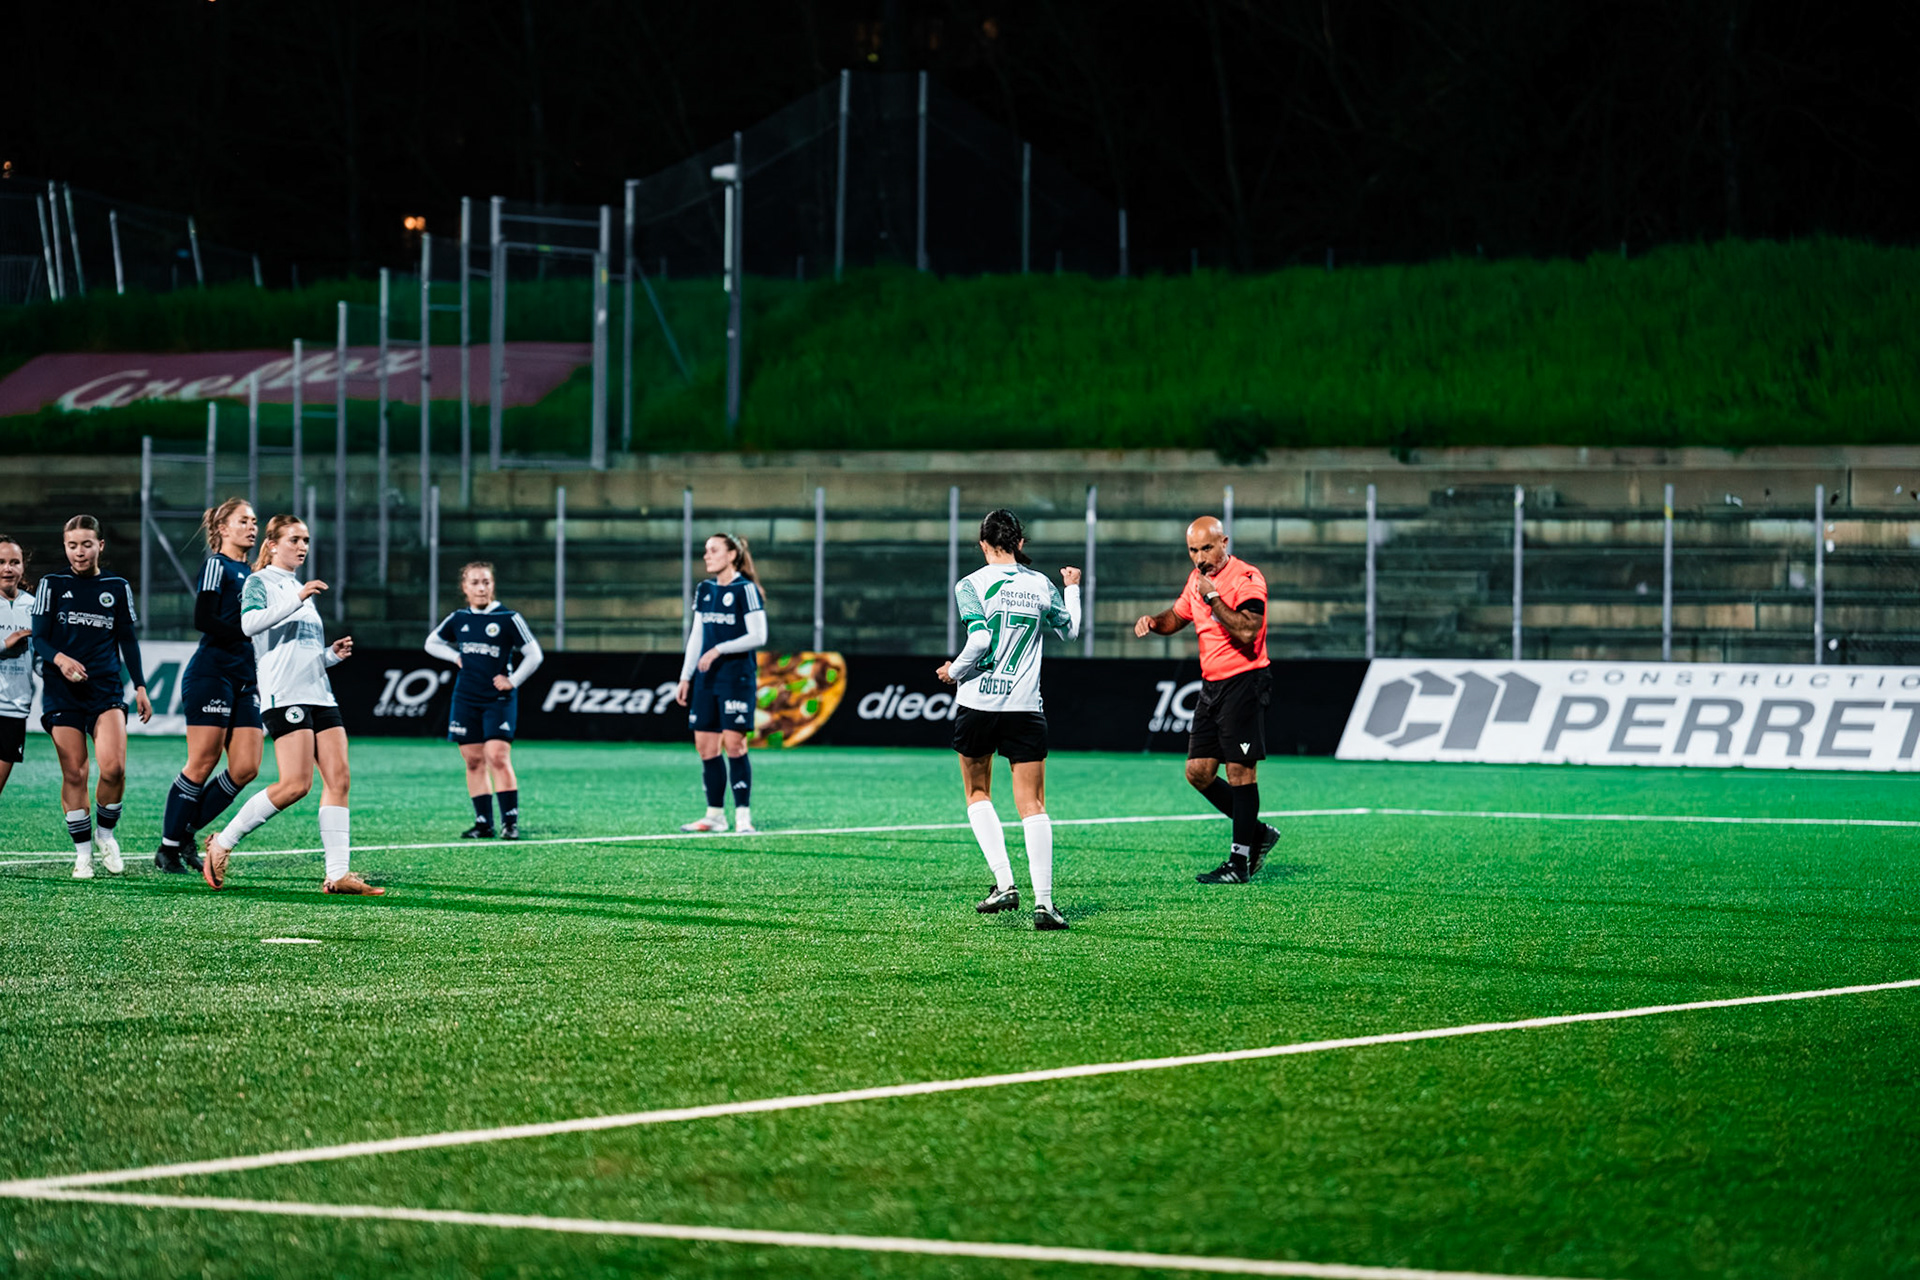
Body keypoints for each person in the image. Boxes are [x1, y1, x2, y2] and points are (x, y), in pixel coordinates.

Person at [201, 515, 382, 896]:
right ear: (272, 543)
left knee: (339, 779)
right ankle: (222, 842)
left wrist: (330, 656)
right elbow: (249, 625)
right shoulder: (259, 582)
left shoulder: (297, 587)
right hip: (284, 695)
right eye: (295, 539)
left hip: (319, 692)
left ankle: (338, 874)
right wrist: (296, 598)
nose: (303, 546)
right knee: (295, 784)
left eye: (307, 540)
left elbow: (300, 652)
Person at [936, 509, 1081, 931]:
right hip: (1024, 706)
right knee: (1032, 805)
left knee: (978, 793)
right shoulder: (1041, 584)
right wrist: (1071, 588)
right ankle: (1045, 904)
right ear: (1020, 542)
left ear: (983, 544)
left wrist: (954, 671)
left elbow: (980, 639)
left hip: (978, 704)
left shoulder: (971, 584)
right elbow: (1069, 632)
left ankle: (1004, 883)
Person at [1132, 516, 1281, 884]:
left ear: (1224, 542)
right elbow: (1177, 616)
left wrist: (1213, 596)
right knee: (1198, 772)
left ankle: (1239, 862)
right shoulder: (1196, 580)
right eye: (1193, 550)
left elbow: (1248, 630)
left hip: (1244, 682)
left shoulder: (1246, 578)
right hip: (1212, 686)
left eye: (1207, 548)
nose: (1200, 557)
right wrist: (1153, 621)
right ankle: (1258, 834)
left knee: (1240, 771)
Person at [31, 515, 153, 879]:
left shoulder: (117, 586)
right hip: (62, 691)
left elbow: (127, 640)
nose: (79, 552)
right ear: (65, 547)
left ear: (101, 545)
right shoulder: (51, 584)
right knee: (75, 771)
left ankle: (106, 836)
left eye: (86, 544)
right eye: (72, 545)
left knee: (114, 768)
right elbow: (39, 638)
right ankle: (82, 853)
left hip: (105, 690)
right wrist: (61, 659)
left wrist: (141, 685)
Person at [155, 498, 262, 874]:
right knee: (203, 761)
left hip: (245, 677)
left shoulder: (253, 573)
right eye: (243, 521)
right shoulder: (217, 565)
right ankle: (169, 848)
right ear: (222, 529)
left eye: (254, 521)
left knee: (246, 767)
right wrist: (247, 632)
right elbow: (203, 618)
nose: (252, 526)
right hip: (212, 673)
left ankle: (184, 831)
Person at [425, 561, 543, 840]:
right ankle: (483, 822)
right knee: (473, 760)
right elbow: (432, 643)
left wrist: (512, 681)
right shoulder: (459, 618)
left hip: (498, 698)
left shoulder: (508, 618)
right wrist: (454, 657)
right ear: (464, 588)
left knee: (497, 756)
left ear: (492, 585)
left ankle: (510, 823)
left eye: (486, 582)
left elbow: (534, 654)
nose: (481, 588)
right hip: (466, 697)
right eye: (475, 583)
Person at [675, 533, 767, 833]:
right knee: (705, 747)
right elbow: (697, 636)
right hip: (706, 679)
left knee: (735, 744)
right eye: (705, 550)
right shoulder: (705, 590)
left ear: (731, 555)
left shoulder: (746, 590)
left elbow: (758, 636)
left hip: (735, 678)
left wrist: (719, 649)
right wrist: (686, 676)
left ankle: (743, 816)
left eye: (713, 550)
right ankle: (715, 815)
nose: (706, 555)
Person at [0, 535, 35, 801]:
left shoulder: (34, 607)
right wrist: (5, 645)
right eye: (0, 562)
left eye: (14, 562)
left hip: (14, 710)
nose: (7, 568)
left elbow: (40, 660)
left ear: (23, 567)